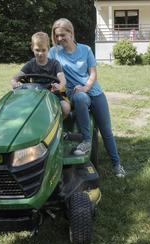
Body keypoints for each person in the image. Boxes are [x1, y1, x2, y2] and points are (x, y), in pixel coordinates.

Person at [48, 18, 126, 178]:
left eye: (63, 35)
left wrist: (85, 87)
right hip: (72, 94)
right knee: (80, 98)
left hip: (93, 91)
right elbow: (44, 68)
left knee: (106, 130)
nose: (59, 39)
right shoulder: (54, 52)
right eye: (57, 36)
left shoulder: (85, 50)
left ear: (71, 33)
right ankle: (85, 140)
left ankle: (117, 164)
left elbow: (93, 74)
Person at [11, 31, 71, 118]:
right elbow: (17, 76)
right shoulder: (30, 64)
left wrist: (60, 85)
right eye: (37, 50)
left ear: (48, 48)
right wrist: (13, 82)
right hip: (35, 95)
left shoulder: (55, 64)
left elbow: (62, 79)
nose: (40, 53)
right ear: (32, 48)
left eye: (43, 50)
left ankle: (59, 125)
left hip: (53, 94)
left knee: (65, 108)